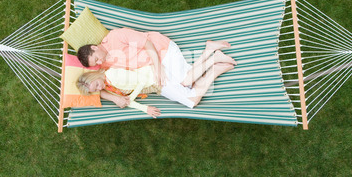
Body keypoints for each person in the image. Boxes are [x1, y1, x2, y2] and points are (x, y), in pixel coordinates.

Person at [76, 38, 236, 118]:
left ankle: (214, 64)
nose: (99, 88)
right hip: (152, 81)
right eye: (95, 90)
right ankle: (211, 54)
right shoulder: (106, 81)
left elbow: (139, 82)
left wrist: (129, 98)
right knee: (187, 82)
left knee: (191, 98)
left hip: (153, 78)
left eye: (97, 85)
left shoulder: (112, 75)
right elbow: (100, 88)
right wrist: (143, 108)